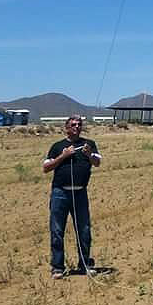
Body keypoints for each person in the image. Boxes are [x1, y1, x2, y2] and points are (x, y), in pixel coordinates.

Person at [42, 116, 102, 278]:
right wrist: (63, 156)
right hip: (60, 193)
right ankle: (58, 267)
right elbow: (46, 168)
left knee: (84, 230)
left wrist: (89, 154)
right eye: (73, 125)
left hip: (80, 193)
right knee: (57, 230)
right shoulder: (57, 146)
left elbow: (97, 163)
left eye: (79, 124)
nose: (77, 127)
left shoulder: (89, 144)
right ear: (66, 128)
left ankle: (84, 264)